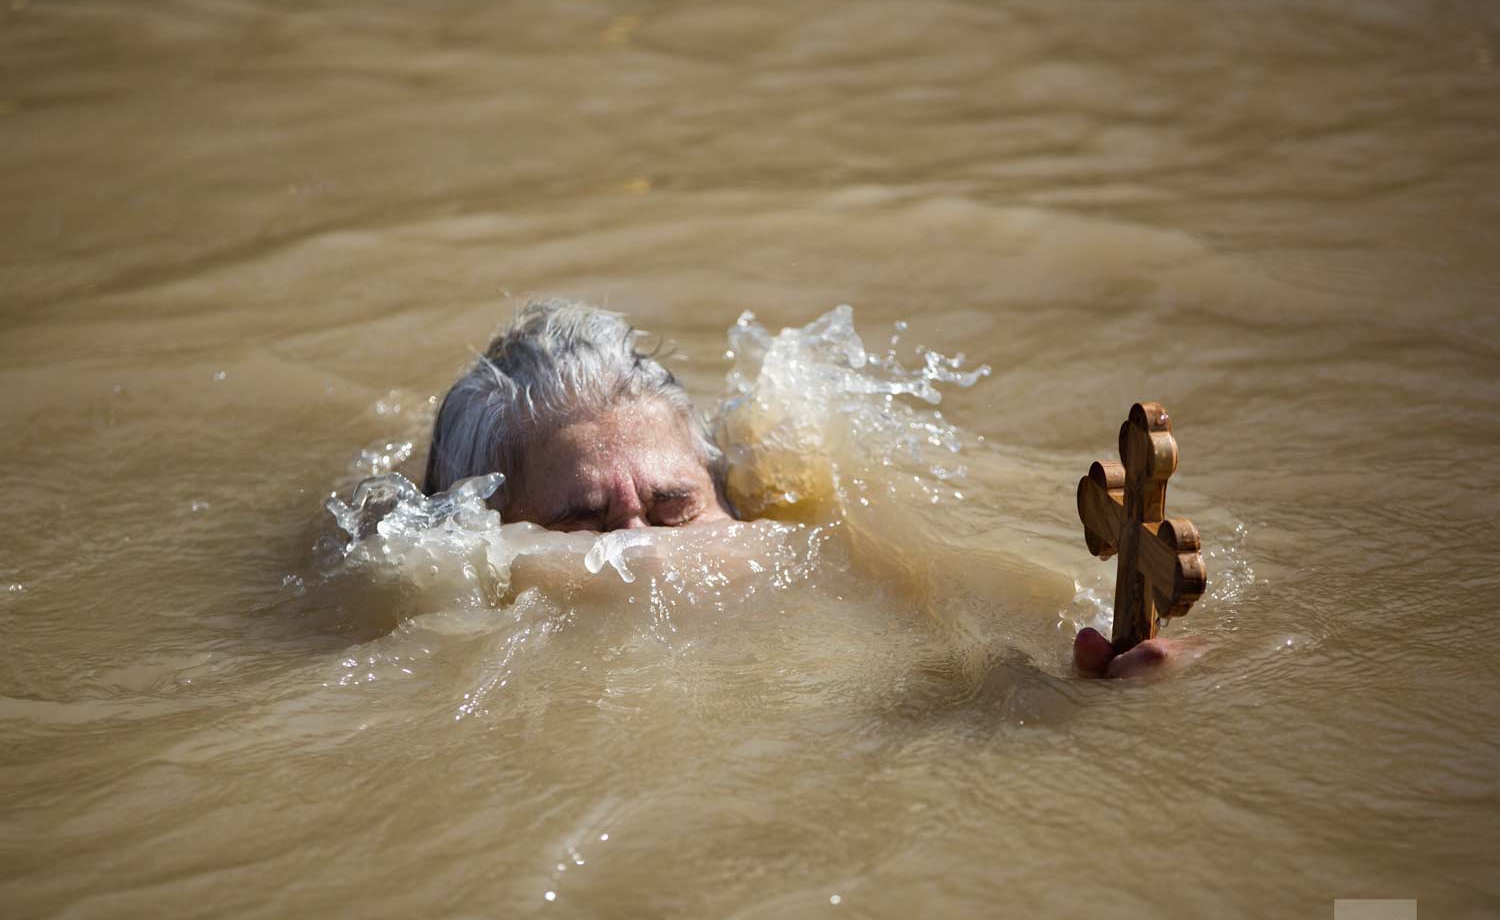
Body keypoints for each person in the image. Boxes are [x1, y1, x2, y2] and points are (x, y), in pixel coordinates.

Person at [423, 298, 1188, 679]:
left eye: (672, 508)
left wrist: (1085, 661)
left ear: (726, 494)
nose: (641, 551)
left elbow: (959, 608)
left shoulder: (810, 531)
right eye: (584, 523)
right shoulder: (454, 616)